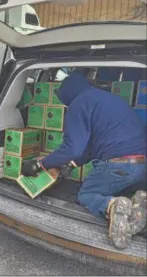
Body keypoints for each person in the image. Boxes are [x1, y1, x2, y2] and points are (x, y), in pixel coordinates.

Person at [22, 71, 146, 249]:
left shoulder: (78, 104)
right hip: (141, 168)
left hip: (119, 166)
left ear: (68, 95)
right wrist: (73, 163)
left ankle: (112, 205)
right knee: (120, 185)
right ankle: (138, 199)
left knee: (86, 195)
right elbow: (91, 145)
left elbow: (72, 148)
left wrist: (40, 164)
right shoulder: (106, 99)